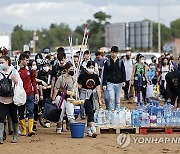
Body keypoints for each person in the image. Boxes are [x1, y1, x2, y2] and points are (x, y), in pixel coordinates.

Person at [0, 56, 22, 144]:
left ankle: (15, 136)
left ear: (7, 61)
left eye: (2, 62)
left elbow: (20, 83)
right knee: (1, 118)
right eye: (0, 63)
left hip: (12, 99)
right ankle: (0, 137)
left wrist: (16, 81)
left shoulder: (14, 71)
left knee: (14, 118)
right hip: (1, 99)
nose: (1, 64)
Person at [78, 61, 102, 138]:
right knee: (89, 111)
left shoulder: (95, 76)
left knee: (91, 112)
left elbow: (98, 88)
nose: (91, 69)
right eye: (90, 67)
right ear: (86, 67)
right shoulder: (82, 76)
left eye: (92, 67)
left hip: (93, 95)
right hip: (85, 95)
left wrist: (99, 99)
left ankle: (88, 129)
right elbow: (79, 86)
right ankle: (93, 129)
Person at [18, 53, 39, 136]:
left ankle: (30, 129)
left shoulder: (30, 70)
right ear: (21, 60)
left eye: (28, 60)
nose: (27, 62)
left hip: (30, 93)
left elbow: (33, 81)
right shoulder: (16, 70)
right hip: (20, 94)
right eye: (26, 60)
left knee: (31, 110)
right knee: (21, 112)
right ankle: (23, 130)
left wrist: (36, 92)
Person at [52, 62, 75, 134]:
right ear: (66, 69)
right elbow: (56, 88)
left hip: (69, 97)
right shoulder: (61, 78)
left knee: (71, 113)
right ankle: (59, 127)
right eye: (71, 69)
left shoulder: (73, 78)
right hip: (61, 97)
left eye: (73, 69)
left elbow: (75, 88)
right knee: (60, 113)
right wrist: (53, 98)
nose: (72, 71)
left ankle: (73, 128)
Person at [102, 46, 126, 110]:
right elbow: (105, 73)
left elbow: (123, 72)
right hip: (110, 83)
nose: (114, 54)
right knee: (111, 98)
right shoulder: (107, 62)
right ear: (111, 53)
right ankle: (111, 112)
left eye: (115, 52)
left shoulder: (120, 62)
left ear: (117, 53)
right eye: (113, 52)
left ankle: (117, 113)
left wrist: (124, 81)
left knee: (117, 100)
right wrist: (104, 84)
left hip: (119, 83)